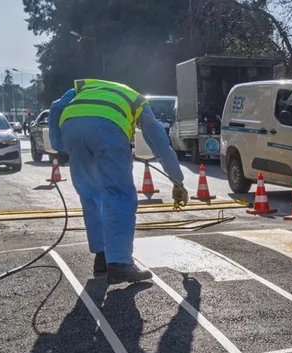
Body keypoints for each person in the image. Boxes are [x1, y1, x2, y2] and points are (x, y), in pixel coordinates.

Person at [49, 79, 188, 284]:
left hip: (71, 128)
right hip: (108, 130)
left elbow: (56, 106)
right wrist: (177, 180)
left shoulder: (83, 87)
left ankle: (102, 257)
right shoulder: (136, 99)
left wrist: (59, 143)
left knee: (90, 195)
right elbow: (158, 142)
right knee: (120, 196)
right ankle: (121, 264)